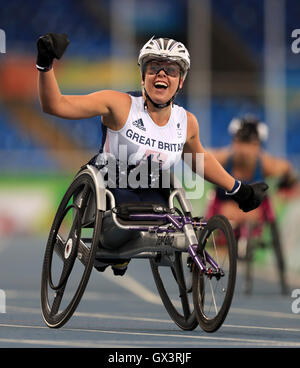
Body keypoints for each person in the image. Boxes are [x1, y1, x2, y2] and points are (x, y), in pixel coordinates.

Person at [36, 33, 268, 274]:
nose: (161, 74)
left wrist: (239, 189)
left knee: (176, 214)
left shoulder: (186, 122)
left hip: (153, 195)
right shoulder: (118, 104)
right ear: (143, 76)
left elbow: (200, 160)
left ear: (180, 81)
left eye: (170, 70)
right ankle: (116, 249)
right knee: (133, 209)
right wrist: (45, 64)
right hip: (110, 187)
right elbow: (55, 105)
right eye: (154, 67)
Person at [207, 114, 298, 226]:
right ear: (233, 142)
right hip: (224, 207)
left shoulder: (267, 165)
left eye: (251, 144)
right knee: (219, 205)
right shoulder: (221, 159)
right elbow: (200, 159)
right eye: (241, 142)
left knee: (265, 206)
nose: (245, 150)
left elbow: (286, 168)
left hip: (253, 212)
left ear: (258, 146)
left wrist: (285, 188)